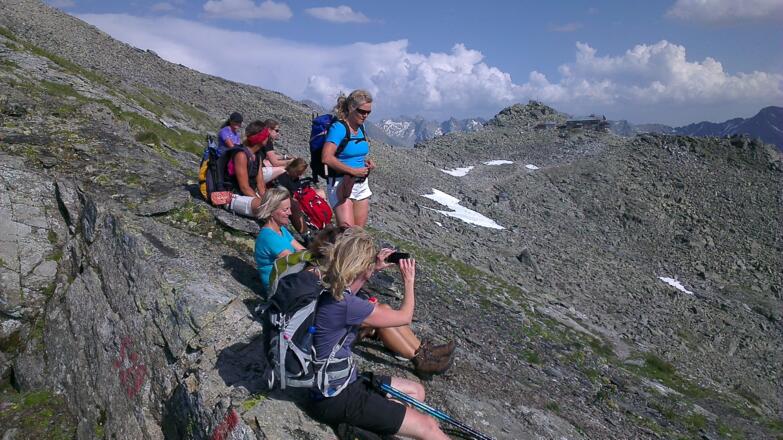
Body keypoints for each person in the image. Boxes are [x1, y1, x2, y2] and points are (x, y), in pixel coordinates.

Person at [304, 228, 450, 440]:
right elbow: (404, 317)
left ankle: (381, 427)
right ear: (359, 265)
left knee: (416, 391)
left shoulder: (330, 288)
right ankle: (375, 424)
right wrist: (409, 281)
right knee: (428, 426)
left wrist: (374, 270)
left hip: (336, 385)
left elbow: (350, 290)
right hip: (336, 397)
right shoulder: (347, 306)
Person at [270, 226, 455, 371]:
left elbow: (344, 291)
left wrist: (373, 269)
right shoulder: (316, 272)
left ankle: (424, 351)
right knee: (378, 318)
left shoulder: (322, 266)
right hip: (321, 334)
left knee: (382, 310)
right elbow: (338, 299)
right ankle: (419, 358)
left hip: (326, 323)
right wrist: (408, 281)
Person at [321, 90, 376, 227]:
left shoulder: (361, 127)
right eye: (362, 111)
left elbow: (352, 152)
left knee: (358, 234)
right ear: (351, 108)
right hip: (341, 183)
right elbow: (326, 157)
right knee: (347, 233)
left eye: (368, 112)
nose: (365, 115)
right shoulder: (338, 128)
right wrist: (352, 170)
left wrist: (366, 162)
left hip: (361, 184)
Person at [225, 121, 286, 217]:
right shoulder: (241, 155)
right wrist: (263, 203)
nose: (268, 137)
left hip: (247, 196)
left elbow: (261, 184)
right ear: (261, 138)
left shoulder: (257, 155)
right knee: (267, 208)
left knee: (281, 204)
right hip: (231, 195)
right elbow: (244, 187)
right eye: (266, 135)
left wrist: (267, 199)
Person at [254, 187, 305, 296]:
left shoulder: (281, 230)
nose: (290, 213)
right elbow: (295, 261)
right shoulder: (268, 236)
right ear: (271, 211)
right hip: (277, 288)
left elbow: (302, 251)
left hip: (288, 279)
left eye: (290, 208)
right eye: (285, 209)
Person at [273, 158, 328, 234]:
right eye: (298, 172)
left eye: (301, 173)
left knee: (320, 193)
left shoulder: (295, 178)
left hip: (298, 196)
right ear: (293, 168)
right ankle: (308, 229)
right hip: (289, 198)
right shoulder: (283, 177)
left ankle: (322, 217)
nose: (300, 175)